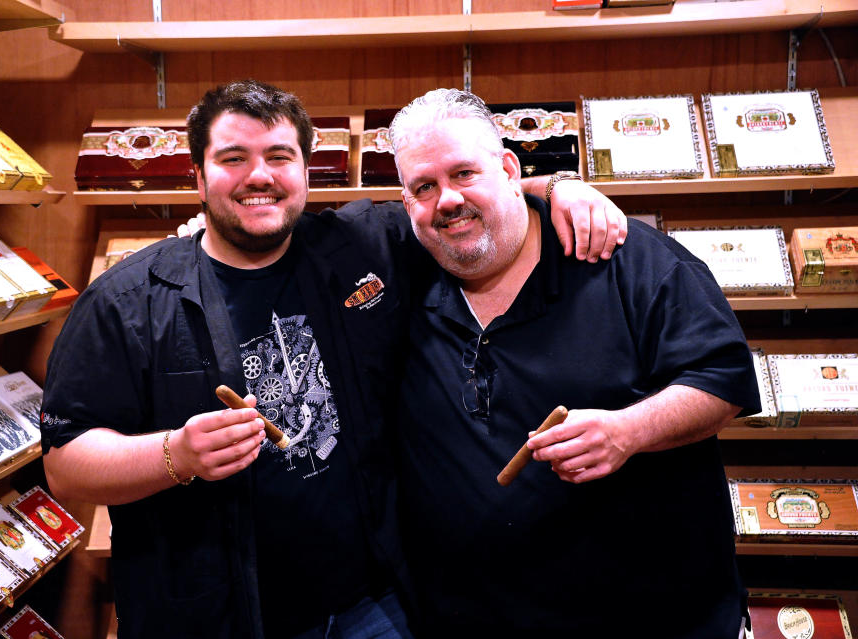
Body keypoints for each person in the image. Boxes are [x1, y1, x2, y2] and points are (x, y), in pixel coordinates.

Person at [39, 80, 626, 639]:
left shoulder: (361, 244)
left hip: (374, 605)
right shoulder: (128, 300)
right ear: (198, 176)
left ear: (304, 170)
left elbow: (455, 197)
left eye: (279, 156)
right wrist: (175, 454)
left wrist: (554, 187)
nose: (259, 177)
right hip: (216, 617)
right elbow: (65, 464)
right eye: (233, 159)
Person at [387, 89, 760, 637]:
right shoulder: (401, 271)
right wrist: (553, 183)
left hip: (653, 618)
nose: (446, 200)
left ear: (509, 168)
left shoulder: (626, 257)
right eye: (424, 186)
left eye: (465, 173)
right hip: (470, 616)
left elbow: (724, 378)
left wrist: (628, 430)